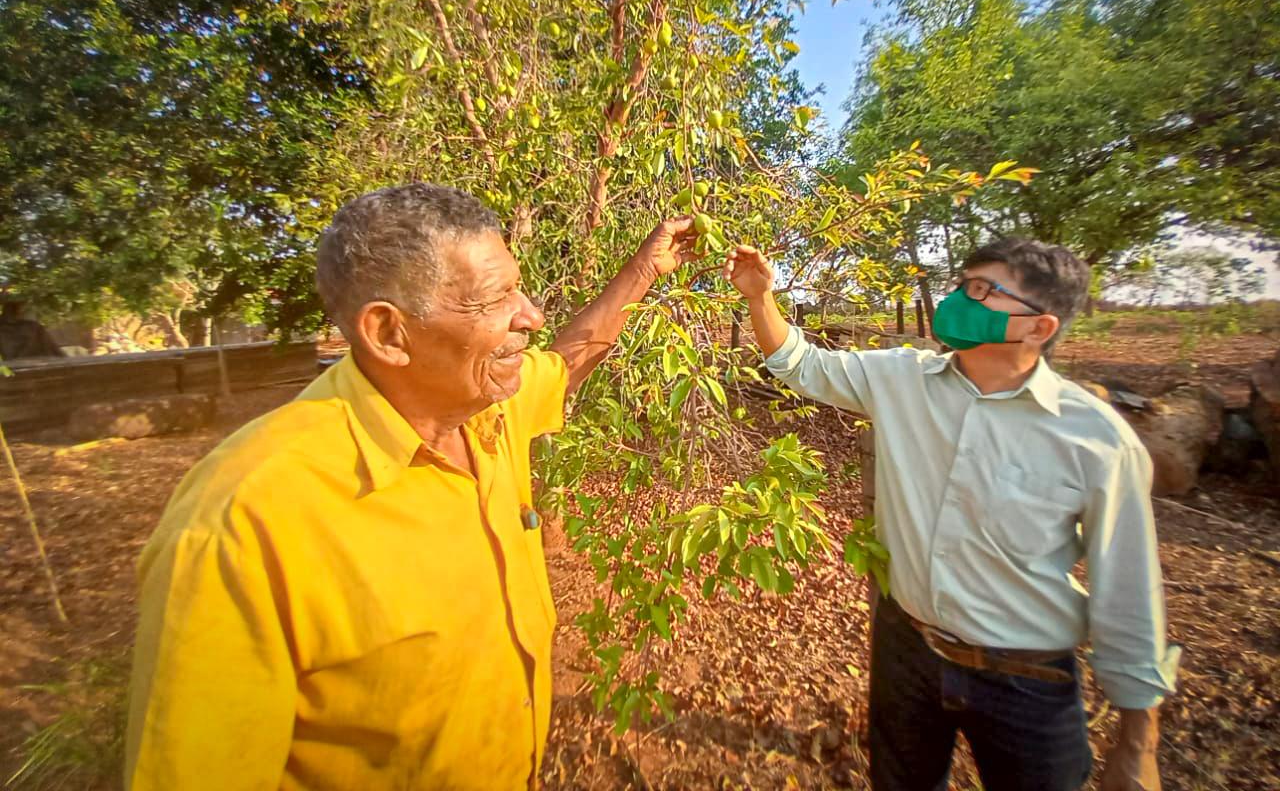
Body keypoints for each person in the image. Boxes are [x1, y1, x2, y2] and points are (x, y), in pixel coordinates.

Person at [126, 184, 698, 791]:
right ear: (390, 334)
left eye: (518, 288)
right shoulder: (244, 520)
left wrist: (644, 269)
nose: (529, 315)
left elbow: (564, 364)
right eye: (495, 298)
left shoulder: (482, 408)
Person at [723, 237, 1178, 791]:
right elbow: (803, 365)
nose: (961, 298)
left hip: (1027, 683)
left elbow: (1128, 590)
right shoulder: (902, 379)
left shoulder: (1097, 440)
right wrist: (758, 298)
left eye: (984, 290)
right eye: (964, 284)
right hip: (906, 650)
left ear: (1039, 328)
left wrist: (1138, 744)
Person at [0, 297, 65, 361]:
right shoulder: (33, 327)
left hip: (30, 363)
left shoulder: (33, 327)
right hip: (20, 364)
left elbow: (55, 352)